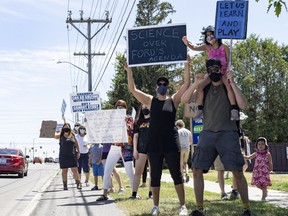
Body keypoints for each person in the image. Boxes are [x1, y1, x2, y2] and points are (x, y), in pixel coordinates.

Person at [181, 58, 251, 216]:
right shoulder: (203, 89)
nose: (214, 72)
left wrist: (232, 82)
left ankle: (247, 209)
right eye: (210, 69)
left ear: (221, 70)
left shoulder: (228, 87)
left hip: (228, 133)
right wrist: (195, 82)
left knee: (237, 171)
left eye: (216, 69)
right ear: (208, 71)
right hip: (207, 134)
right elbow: (184, 100)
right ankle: (199, 209)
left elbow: (243, 105)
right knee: (197, 169)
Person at [125, 56, 190, 216]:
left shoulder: (173, 100)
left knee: (176, 173)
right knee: (155, 175)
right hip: (154, 143)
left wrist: (187, 65)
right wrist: (129, 72)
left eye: (164, 84)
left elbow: (186, 85)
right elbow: (133, 89)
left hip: (170, 141)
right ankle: (155, 206)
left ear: (167, 87)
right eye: (159, 84)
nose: (162, 86)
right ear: (156, 87)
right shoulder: (150, 100)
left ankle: (183, 206)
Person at [182, 25, 239, 121]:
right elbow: (195, 47)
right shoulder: (207, 48)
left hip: (223, 72)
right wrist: (187, 43)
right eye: (207, 35)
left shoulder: (224, 47)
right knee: (200, 86)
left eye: (211, 34)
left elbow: (229, 60)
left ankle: (233, 109)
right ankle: (200, 109)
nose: (209, 37)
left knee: (228, 86)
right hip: (211, 72)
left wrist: (230, 72)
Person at [96, 99, 134, 201]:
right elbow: (101, 127)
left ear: (125, 108)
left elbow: (130, 129)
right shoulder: (111, 120)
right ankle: (104, 193)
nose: (119, 108)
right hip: (114, 146)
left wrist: (125, 122)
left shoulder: (129, 118)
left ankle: (135, 193)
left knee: (130, 171)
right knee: (107, 169)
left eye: (122, 106)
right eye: (118, 106)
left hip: (126, 148)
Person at [130, 104, 152, 199]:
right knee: (138, 171)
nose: (145, 109)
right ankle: (134, 193)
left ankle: (151, 193)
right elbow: (135, 136)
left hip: (153, 149)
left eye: (147, 107)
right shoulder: (138, 122)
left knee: (153, 172)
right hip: (141, 149)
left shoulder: (155, 120)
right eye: (143, 107)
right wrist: (135, 149)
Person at [244, 137, 273, 201]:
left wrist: (271, 169)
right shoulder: (256, 153)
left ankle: (263, 197)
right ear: (257, 146)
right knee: (257, 184)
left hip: (264, 172)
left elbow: (270, 162)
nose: (260, 146)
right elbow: (248, 157)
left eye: (262, 144)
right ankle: (265, 191)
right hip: (257, 172)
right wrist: (243, 156)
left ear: (265, 145)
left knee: (264, 185)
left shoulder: (268, 154)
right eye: (259, 144)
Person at [55, 123, 82, 190]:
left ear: (70, 128)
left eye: (67, 128)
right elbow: (55, 136)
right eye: (65, 128)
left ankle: (78, 183)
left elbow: (77, 143)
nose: (66, 129)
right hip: (63, 155)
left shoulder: (72, 135)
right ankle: (65, 185)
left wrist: (78, 152)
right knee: (64, 171)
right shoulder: (60, 135)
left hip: (72, 155)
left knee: (75, 170)